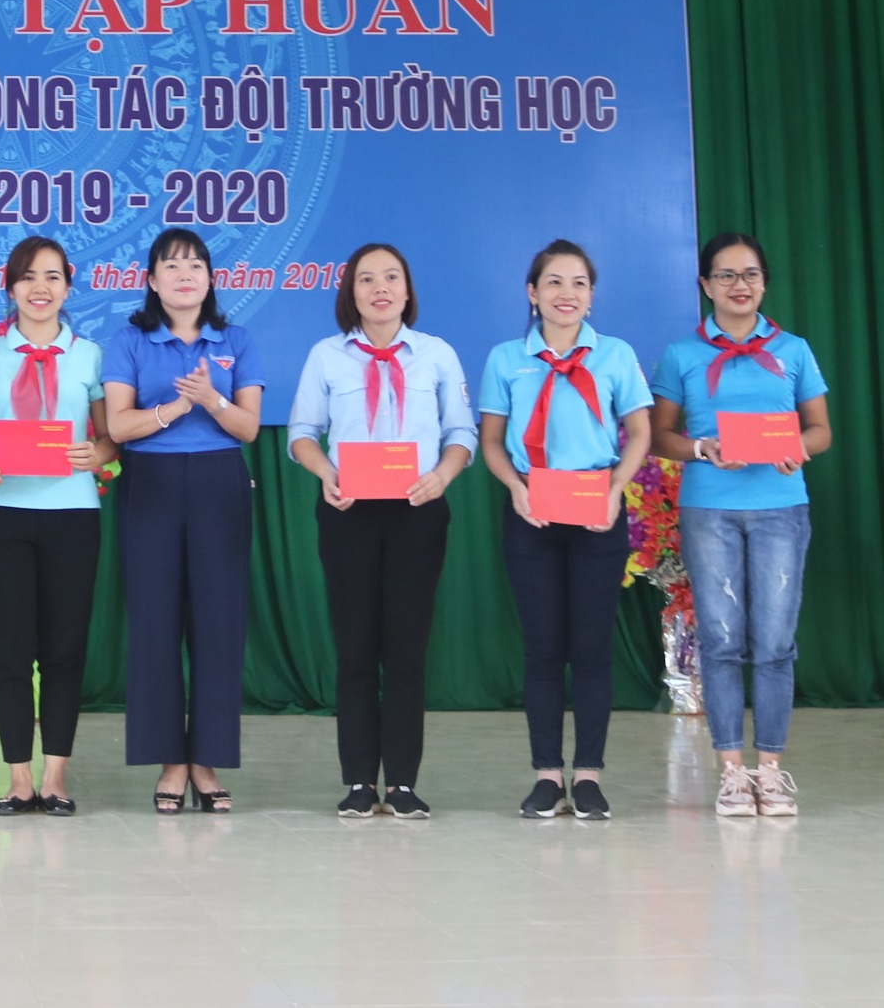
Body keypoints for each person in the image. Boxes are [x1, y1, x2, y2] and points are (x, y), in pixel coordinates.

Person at [285, 243, 475, 819]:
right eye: (366, 279)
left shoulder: (437, 355)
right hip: (349, 513)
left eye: (391, 277)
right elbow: (301, 432)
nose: (380, 288)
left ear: (408, 290)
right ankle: (360, 782)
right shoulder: (326, 356)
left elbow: (461, 432)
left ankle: (404, 784)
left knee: (407, 650)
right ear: (351, 293)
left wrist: (442, 476)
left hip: (417, 511)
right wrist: (326, 474)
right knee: (356, 650)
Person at [651, 232, 831, 818]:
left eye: (750, 274)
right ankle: (731, 773)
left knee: (775, 644)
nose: (739, 285)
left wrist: (798, 448)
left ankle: (770, 773)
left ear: (764, 282)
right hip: (710, 511)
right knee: (722, 640)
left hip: (782, 508)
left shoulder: (794, 350)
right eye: (725, 275)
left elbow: (820, 429)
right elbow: (660, 436)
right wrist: (701, 448)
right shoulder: (682, 353)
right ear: (706, 285)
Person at [477, 239, 652, 821]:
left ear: (591, 295)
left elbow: (641, 432)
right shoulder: (506, 358)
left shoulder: (616, 355)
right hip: (532, 509)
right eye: (553, 282)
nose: (566, 294)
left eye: (579, 283)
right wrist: (515, 487)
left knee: (593, 647)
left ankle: (590, 775)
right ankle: (547, 775)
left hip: (597, 507)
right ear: (532, 293)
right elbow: (491, 441)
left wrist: (616, 487)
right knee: (544, 648)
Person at [103, 228, 264, 814]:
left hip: (220, 481)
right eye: (171, 266)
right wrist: (177, 406)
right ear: (151, 281)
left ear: (211, 278)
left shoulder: (236, 340)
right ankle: (170, 761)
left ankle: (207, 760)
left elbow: (248, 428)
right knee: (154, 621)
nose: (185, 274)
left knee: (219, 624)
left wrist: (213, 399)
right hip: (151, 483)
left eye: (195, 264)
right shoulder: (129, 340)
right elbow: (119, 427)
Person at [0, 236, 110, 817]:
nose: (39, 288)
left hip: (73, 515)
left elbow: (110, 436)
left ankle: (55, 778)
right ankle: (18, 778)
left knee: (64, 650)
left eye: (52, 277)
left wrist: (97, 454)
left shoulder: (91, 356)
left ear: (68, 287)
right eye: (27, 277)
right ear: (10, 287)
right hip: (2, 516)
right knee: (8, 648)